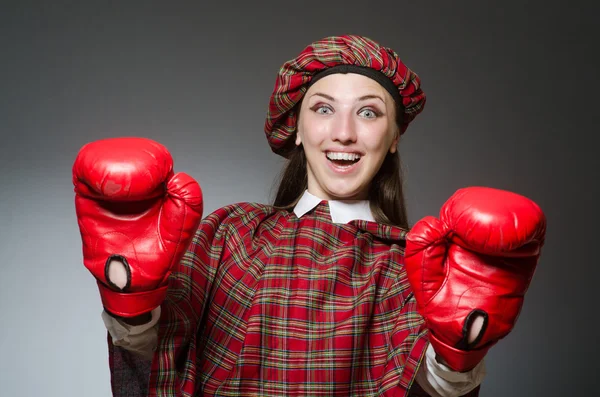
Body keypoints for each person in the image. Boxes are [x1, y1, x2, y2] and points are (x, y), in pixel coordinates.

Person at [73, 34, 546, 397]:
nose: (343, 133)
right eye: (323, 109)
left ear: (394, 136)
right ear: (297, 128)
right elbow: (155, 361)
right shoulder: (229, 233)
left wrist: (456, 355)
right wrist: (129, 299)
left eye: (368, 113)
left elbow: (423, 387)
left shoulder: (415, 264)